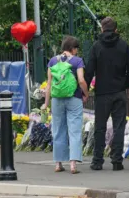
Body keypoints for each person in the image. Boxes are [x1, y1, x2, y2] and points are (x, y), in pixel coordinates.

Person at [84, 17, 129, 171]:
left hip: (102, 93)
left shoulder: (96, 47)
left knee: (100, 127)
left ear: (101, 29)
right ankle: (117, 161)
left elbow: (89, 70)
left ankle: (97, 161)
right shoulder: (123, 46)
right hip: (119, 91)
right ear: (116, 29)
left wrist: (85, 90)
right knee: (119, 126)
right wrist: (125, 83)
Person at [43, 36, 89, 174]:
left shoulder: (52, 61)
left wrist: (46, 104)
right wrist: (86, 93)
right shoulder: (77, 61)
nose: (77, 51)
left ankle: (58, 163)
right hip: (74, 98)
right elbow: (81, 80)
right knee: (74, 130)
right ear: (73, 48)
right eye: (76, 49)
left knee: (58, 130)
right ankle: (73, 164)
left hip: (56, 99)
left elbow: (49, 85)